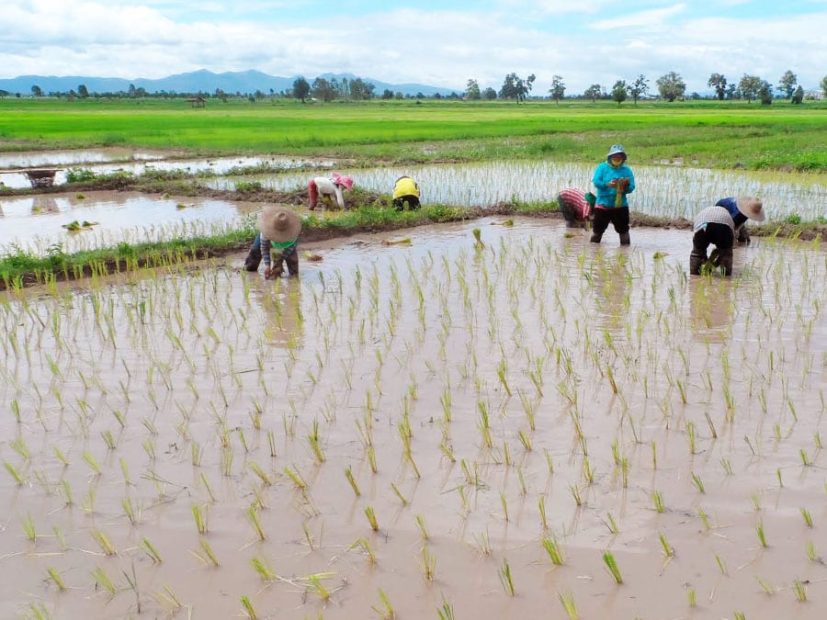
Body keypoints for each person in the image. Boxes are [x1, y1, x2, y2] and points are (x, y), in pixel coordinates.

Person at [689, 200, 765, 276]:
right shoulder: (736, 213)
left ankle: (694, 275)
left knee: (697, 253)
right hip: (724, 224)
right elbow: (732, 236)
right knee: (726, 254)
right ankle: (725, 277)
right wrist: (722, 254)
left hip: (703, 223)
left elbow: (696, 232)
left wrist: (706, 259)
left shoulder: (735, 208)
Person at [591, 144, 636, 245]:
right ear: (610, 157)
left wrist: (624, 187)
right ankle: (593, 254)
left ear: (623, 158)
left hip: (620, 206)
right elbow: (596, 182)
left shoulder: (626, 170)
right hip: (603, 204)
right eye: (615, 156)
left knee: (623, 231)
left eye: (619, 157)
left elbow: (632, 187)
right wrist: (607, 184)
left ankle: (625, 254)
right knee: (597, 232)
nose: (617, 158)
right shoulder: (602, 167)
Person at [243, 206, 301, 277]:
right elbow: (264, 248)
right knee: (255, 251)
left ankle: (287, 274)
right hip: (267, 236)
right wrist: (267, 266)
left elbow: (289, 249)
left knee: (294, 272)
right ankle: (249, 268)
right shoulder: (267, 231)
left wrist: (278, 262)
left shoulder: (292, 233)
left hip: (287, 244)